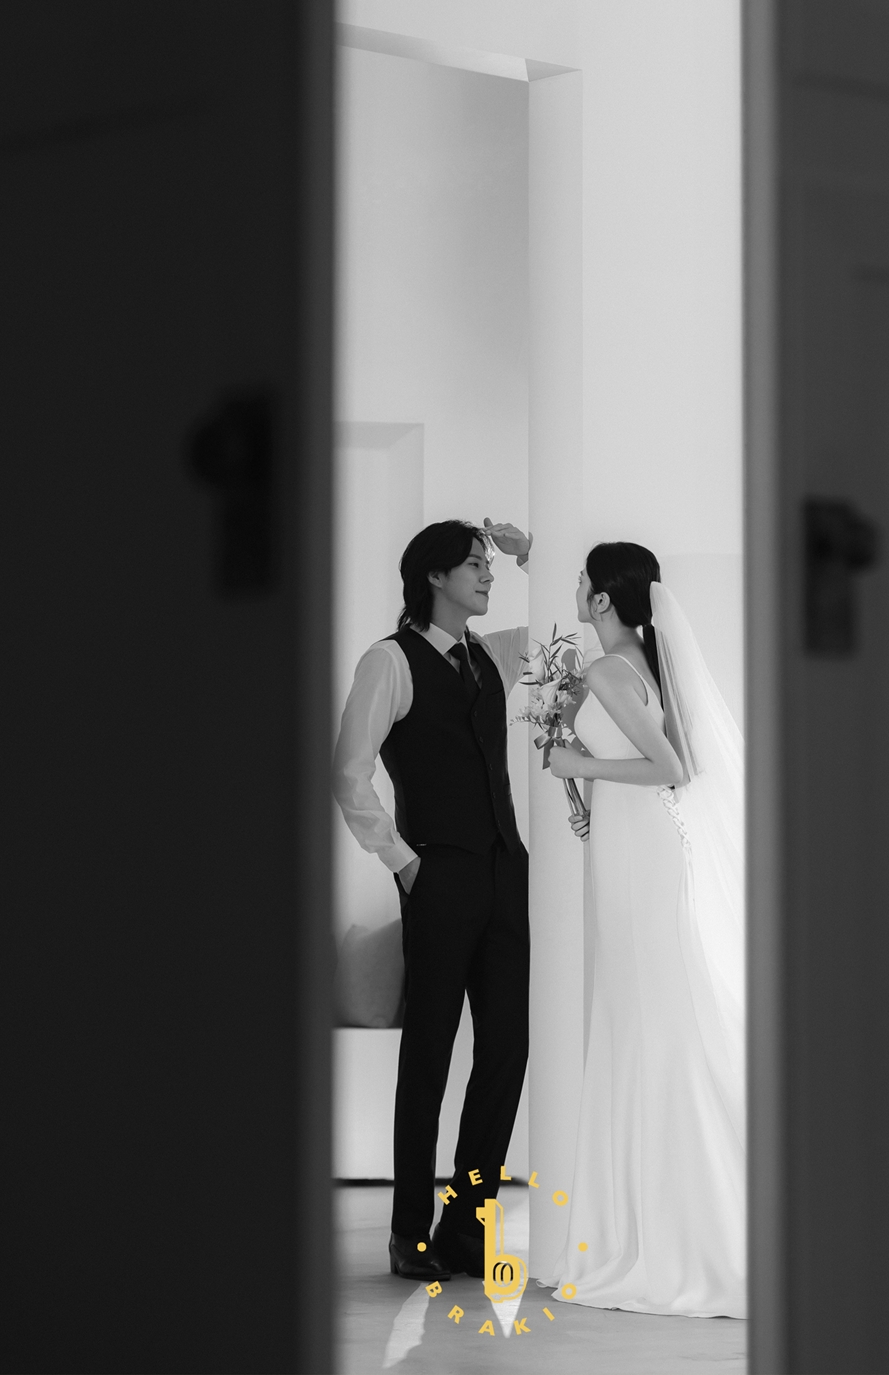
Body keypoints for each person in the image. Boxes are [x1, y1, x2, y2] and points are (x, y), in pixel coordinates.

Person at [547, 542, 746, 1317]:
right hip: (640, 849)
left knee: (653, 1026)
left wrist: (579, 769)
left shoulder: (608, 670)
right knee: (648, 1023)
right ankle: (659, 1223)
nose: (576, 587)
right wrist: (584, 785)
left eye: (582, 580)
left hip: (643, 862)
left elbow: (671, 768)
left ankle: (674, 1236)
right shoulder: (638, 664)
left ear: (602, 599)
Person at [333, 517, 533, 1283]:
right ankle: (408, 1232)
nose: (488, 575)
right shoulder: (388, 661)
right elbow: (349, 772)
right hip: (439, 877)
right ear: (434, 576)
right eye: (475, 565)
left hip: (505, 874)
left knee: (506, 1050)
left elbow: (564, 632)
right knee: (429, 1056)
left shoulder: (493, 654)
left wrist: (528, 554)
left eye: (489, 564)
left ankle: (465, 1225)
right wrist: (405, 864)